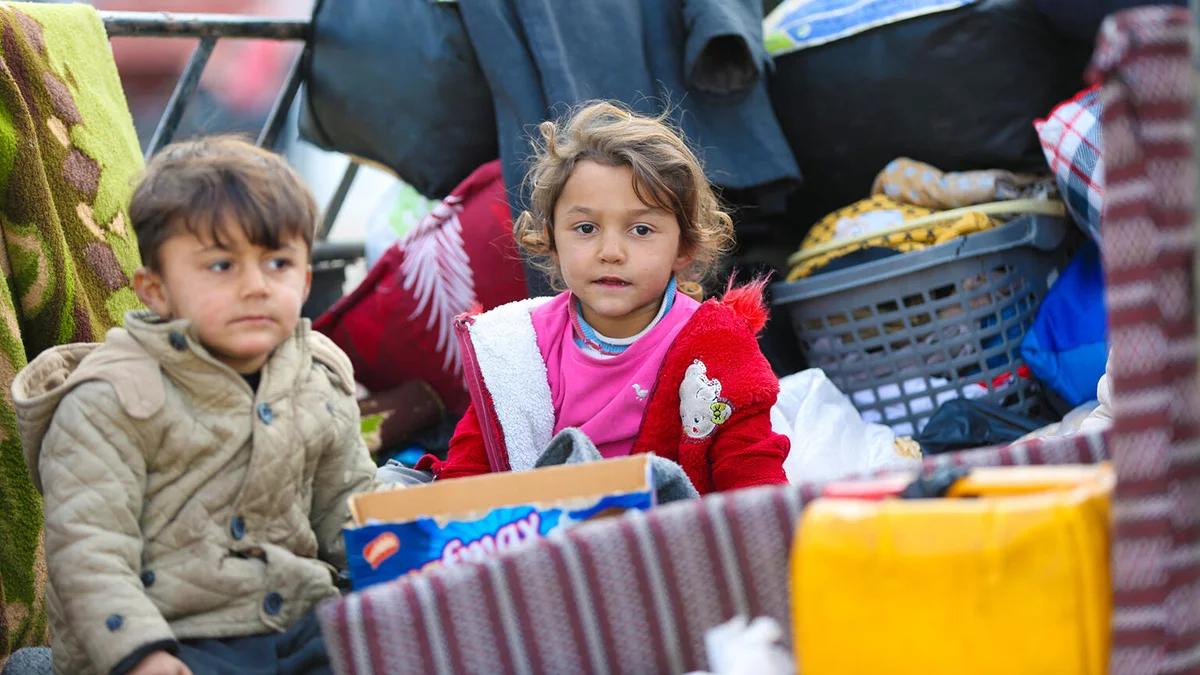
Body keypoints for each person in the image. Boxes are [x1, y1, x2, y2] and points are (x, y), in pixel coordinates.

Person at [12, 136, 378, 675]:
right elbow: (90, 551)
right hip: (174, 636)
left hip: (295, 622)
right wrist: (139, 653)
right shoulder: (110, 398)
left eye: (277, 262)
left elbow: (347, 506)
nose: (255, 286)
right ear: (155, 290)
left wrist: (413, 565)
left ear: (304, 280)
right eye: (221, 267)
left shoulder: (315, 375)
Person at [424, 102, 790, 493]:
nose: (611, 251)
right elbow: (465, 483)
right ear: (551, 239)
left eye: (642, 230)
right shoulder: (515, 350)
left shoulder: (715, 345)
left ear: (684, 247)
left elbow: (754, 479)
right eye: (585, 227)